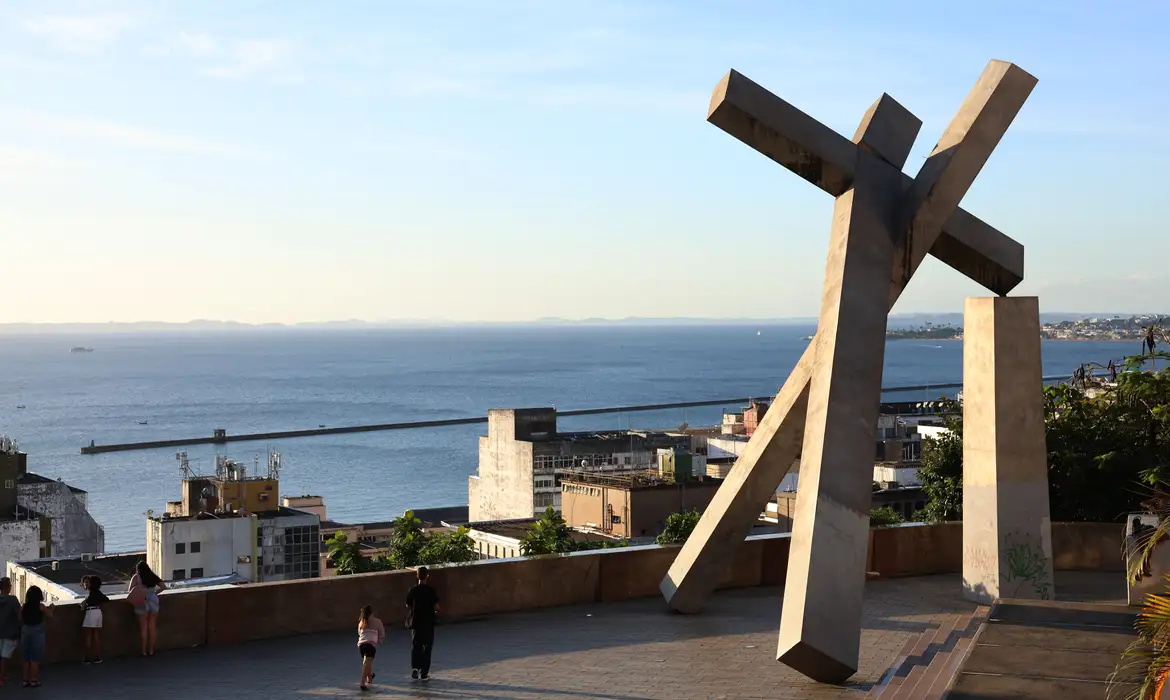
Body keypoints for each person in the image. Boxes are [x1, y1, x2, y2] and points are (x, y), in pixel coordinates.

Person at [405, 566, 440, 681]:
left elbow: (408, 605)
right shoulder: (431, 590)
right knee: (427, 647)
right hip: (428, 621)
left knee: (416, 645)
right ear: (427, 576)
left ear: (417, 576)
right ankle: (424, 673)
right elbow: (436, 606)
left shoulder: (412, 590)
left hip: (416, 622)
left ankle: (415, 668)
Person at [127, 561, 165, 657]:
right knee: (152, 627)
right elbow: (163, 586)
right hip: (153, 601)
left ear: (138, 569)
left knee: (143, 627)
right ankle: (151, 650)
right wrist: (154, 593)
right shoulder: (152, 576)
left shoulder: (136, 577)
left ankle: (143, 651)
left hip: (142, 602)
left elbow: (130, 590)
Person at [20, 586, 52, 688]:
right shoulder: (40, 606)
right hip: (37, 631)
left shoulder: (24, 606)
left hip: (26, 630)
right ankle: (34, 680)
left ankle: (25, 680)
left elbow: (19, 617)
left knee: (26, 657)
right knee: (35, 657)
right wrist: (52, 608)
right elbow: (50, 615)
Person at [80, 576, 109, 664]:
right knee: (96, 635)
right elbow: (106, 599)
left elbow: (84, 605)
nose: (85, 584)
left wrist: (83, 604)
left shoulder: (91, 593)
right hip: (98, 612)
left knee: (88, 635)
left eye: (87, 582)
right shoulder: (98, 592)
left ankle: (87, 658)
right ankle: (97, 657)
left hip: (91, 612)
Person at [356, 605, 385, 691]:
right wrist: (379, 640)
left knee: (367, 662)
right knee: (367, 663)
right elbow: (382, 633)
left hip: (361, 645)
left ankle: (370, 678)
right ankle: (362, 683)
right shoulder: (377, 621)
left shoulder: (361, 622)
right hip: (371, 644)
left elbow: (359, 633)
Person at [0, 577, 20, 687]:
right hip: (10, 632)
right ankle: (1, 677)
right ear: (8, 587)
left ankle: (2, 676)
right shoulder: (12, 600)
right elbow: (20, 615)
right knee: (5, 657)